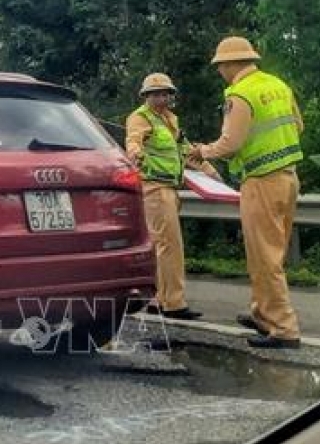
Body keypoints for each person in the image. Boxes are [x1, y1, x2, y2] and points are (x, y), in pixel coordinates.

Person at [189, 35, 304, 349]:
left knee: (264, 257)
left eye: (220, 66)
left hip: (262, 180)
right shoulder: (278, 85)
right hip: (289, 176)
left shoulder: (239, 94)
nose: (219, 71)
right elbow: (299, 126)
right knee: (271, 252)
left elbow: (231, 144)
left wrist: (202, 152)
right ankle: (263, 314)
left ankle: (283, 328)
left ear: (229, 64)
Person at [125, 73, 220, 320]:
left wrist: (210, 172)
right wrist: (135, 154)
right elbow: (133, 141)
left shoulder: (170, 121)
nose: (161, 98)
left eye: (165, 93)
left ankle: (160, 299)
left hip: (169, 188)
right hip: (154, 187)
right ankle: (174, 303)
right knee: (170, 245)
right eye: (155, 94)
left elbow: (186, 150)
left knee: (161, 245)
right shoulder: (140, 117)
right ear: (146, 96)